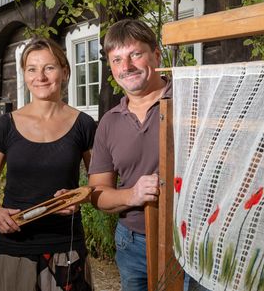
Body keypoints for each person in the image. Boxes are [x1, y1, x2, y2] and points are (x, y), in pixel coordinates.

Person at [88, 19, 206, 291]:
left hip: (192, 241)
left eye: (135, 55)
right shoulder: (109, 121)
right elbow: (97, 193)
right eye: (117, 60)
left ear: (156, 54)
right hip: (132, 245)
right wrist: (132, 195)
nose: (126, 67)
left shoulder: (192, 100)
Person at [0, 37, 97, 291]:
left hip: (64, 243)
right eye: (32, 69)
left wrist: (79, 197)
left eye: (49, 67)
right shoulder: (5, 125)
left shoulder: (84, 125)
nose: (40, 76)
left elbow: (97, 184)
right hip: (14, 243)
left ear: (64, 71)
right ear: (24, 75)